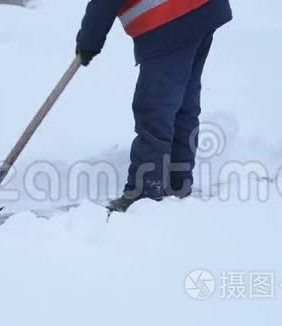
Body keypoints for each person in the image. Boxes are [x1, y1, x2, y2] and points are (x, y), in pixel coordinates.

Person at [76, 0, 232, 212]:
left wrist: (89, 42)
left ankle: (144, 191)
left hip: (170, 20)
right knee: (182, 102)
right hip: (202, 9)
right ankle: (177, 182)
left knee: (155, 109)